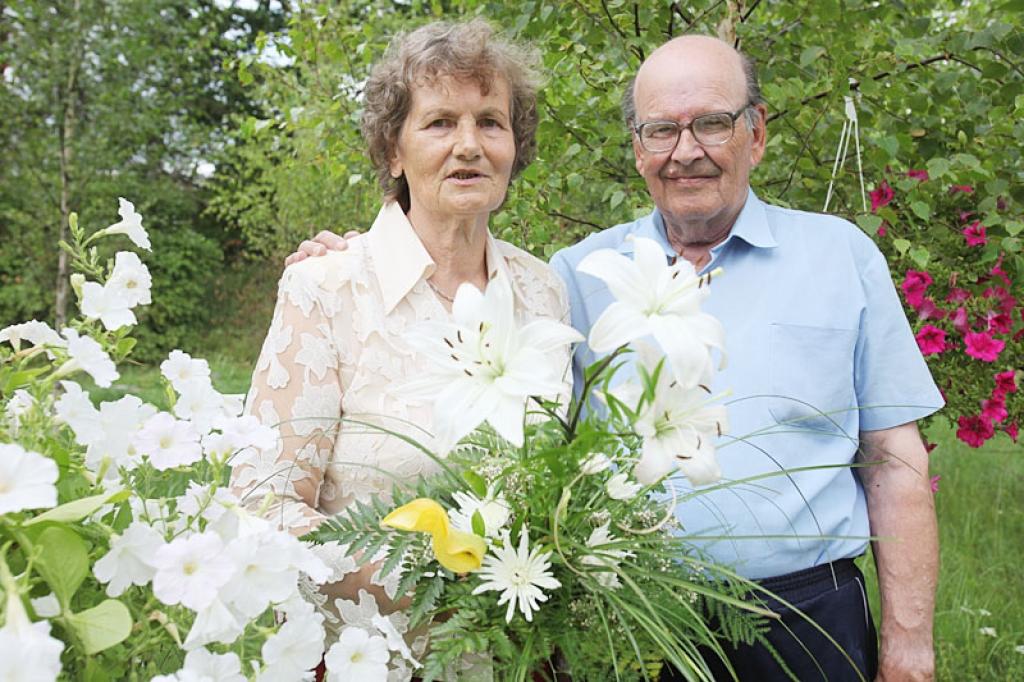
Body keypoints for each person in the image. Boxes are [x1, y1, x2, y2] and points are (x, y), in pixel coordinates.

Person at [288, 35, 942, 682]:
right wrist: (357, 259)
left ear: (757, 132)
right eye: (661, 131)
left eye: (712, 124)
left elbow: (893, 460)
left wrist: (910, 646)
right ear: (637, 149)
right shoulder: (574, 278)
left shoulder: (841, 257)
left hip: (807, 619)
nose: (687, 152)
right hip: (621, 624)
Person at [232, 19, 569, 680]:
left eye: (491, 122)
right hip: (371, 659)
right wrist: (430, 579)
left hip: (522, 661)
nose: (469, 145)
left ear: (516, 146)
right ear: (393, 150)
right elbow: (260, 506)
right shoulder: (325, 289)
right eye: (440, 122)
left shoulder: (542, 290)